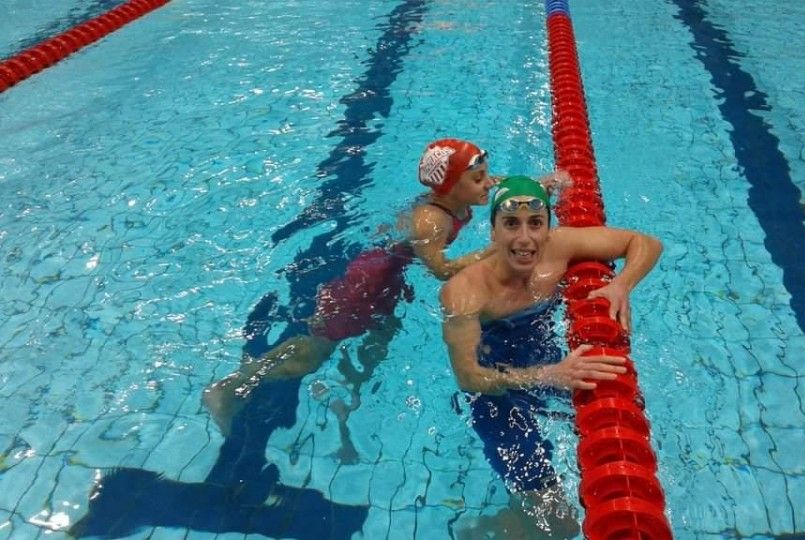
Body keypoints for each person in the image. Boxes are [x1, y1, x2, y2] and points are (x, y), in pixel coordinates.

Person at [203, 140, 568, 436]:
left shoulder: (458, 194)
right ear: (452, 186)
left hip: (389, 279)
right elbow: (441, 270)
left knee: (383, 333)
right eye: (479, 179)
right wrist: (493, 249)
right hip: (365, 285)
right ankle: (232, 385)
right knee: (316, 351)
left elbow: (498, 183)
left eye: (485, 176)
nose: (488, 184)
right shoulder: (431, 221)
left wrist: (538, 185)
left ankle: (350, 393)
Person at [440, 176, 663, 537]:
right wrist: (547, 375)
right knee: (559, 524)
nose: (524, 238)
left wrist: (622, 284)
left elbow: (646, 243)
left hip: (548, 359)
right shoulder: (464, 292)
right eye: (511, 224)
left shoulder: (559, 247)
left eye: (535, 223)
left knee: (617, 429)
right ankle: (484, 529)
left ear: (548, 228)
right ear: (493, 231)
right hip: (496, 392)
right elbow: (468, 376)